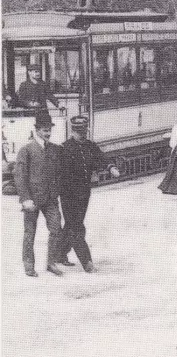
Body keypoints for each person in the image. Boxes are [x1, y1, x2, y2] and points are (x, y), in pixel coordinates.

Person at [59, 115, 120, 273]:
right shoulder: (65, 148)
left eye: (84, 131)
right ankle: (87, 262)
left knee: (71, 225)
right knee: (77, 227)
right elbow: (61, 174)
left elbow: (101, 158)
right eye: (79, 132)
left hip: (84, 193)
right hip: (69, 195)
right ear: (73, 131)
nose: (82, 134)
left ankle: (59, 253)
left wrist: (111, 168)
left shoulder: (90, 146)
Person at [14, 110, 64, 277]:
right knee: (30, 233)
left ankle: (51, 263)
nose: (48, 133)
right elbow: (20, 177)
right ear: (37, 130)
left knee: (56, 229)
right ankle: (29, 266)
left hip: (50, 198)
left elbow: (59, 172)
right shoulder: (26, 150)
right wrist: (25, 199)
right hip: (32, 200)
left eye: (49, 129)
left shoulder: (54, 149)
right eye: (44, 130)